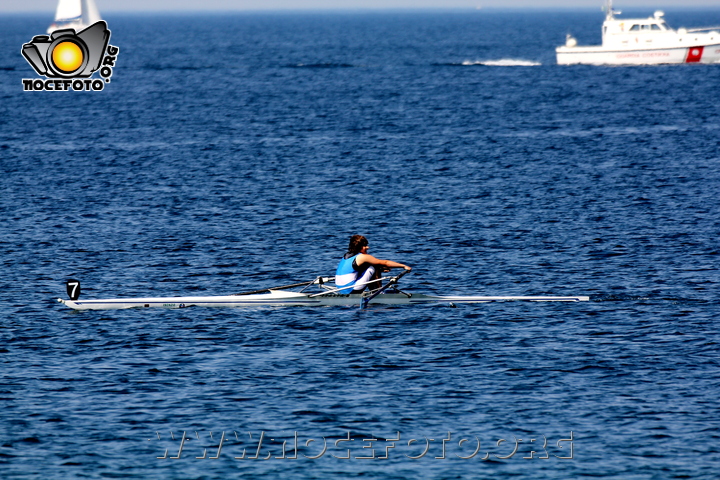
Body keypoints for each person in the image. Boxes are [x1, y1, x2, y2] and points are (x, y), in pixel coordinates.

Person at [335, 235, 412, 294]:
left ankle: (374, 291)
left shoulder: (346, 256)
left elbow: (360, 269)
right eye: (365, 246)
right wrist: (404, 266)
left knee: (374, 267)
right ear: (359, 247)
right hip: (351, 289)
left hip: (341, 290)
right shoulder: (362, 257)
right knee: (374, 266)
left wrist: (380, 270)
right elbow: (385, 263)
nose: (368, 247)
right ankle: (378, 292)